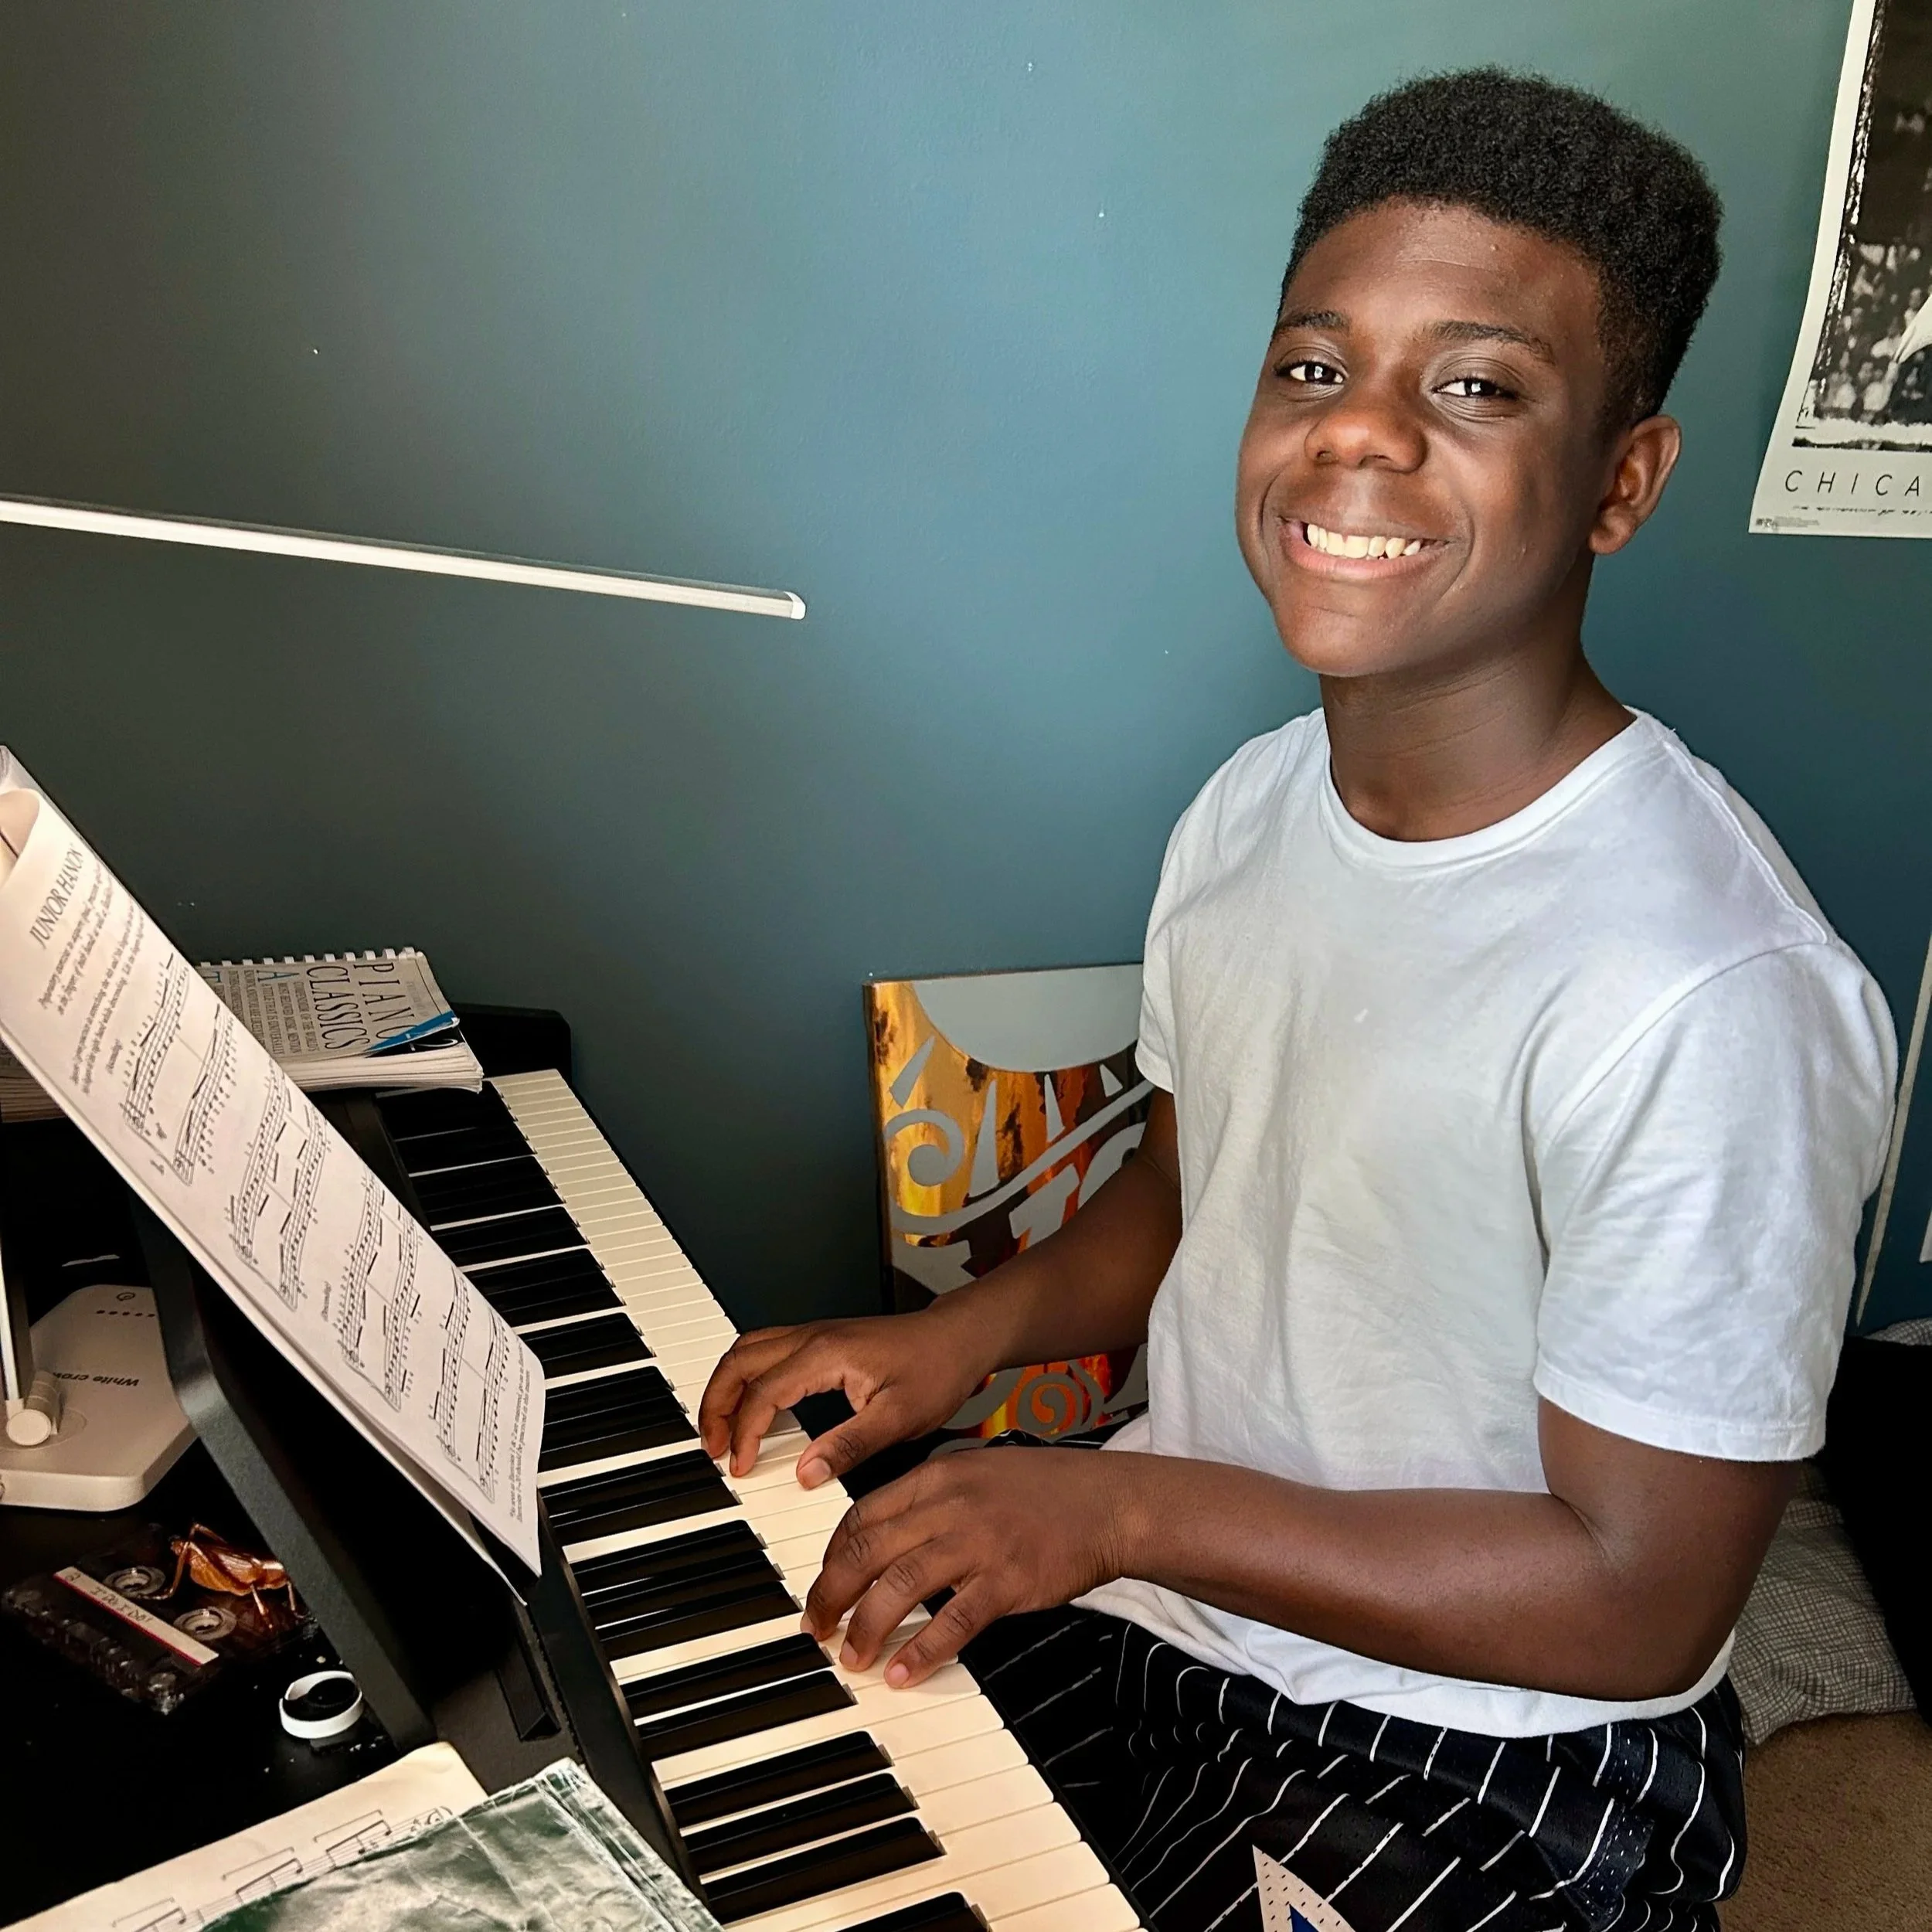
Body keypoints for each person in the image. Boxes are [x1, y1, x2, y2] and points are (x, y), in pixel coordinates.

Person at [701, 69, 1896, 1932]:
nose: (1358, 445)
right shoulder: (1250, 806)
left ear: (1622, 482)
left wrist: (1104, 1509)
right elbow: (1197, 1199)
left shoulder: (1710, 992)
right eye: (1314, 369)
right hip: (1183, 1615)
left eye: (1478, 388)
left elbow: (1629, 1597)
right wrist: (961, 1342)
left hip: (1488, 1741)